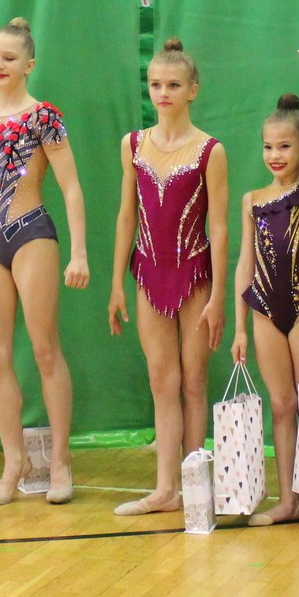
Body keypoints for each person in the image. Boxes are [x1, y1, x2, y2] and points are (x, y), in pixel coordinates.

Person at [0, 18, 89, 506]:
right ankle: (15, 461)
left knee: (45, 349)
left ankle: (60, 460)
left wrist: (79, 252)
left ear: (29, 64)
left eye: (9, 58)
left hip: (31, 234)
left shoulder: (43, 117)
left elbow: (71, 187)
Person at [109, 38, 229, 517]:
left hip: (194, 272)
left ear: (192, 90)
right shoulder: (134, 145)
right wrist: (116, 284)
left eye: (173, 85)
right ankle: (164, 489)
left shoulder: (210, 150)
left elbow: (220, 228)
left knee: (194, 381)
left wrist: (218, 296)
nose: (163, 93)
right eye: (156, 84)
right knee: (163, 380)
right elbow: (126, 216)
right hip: (148, 272)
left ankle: (194, 486)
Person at [230, 45, 299, 527]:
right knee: (281, 404)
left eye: (285, 147)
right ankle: (287, 499)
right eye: (268, 147)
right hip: (263, 310)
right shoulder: (252, 199)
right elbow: (244, 263)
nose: (275, 155)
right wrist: (239, 327)